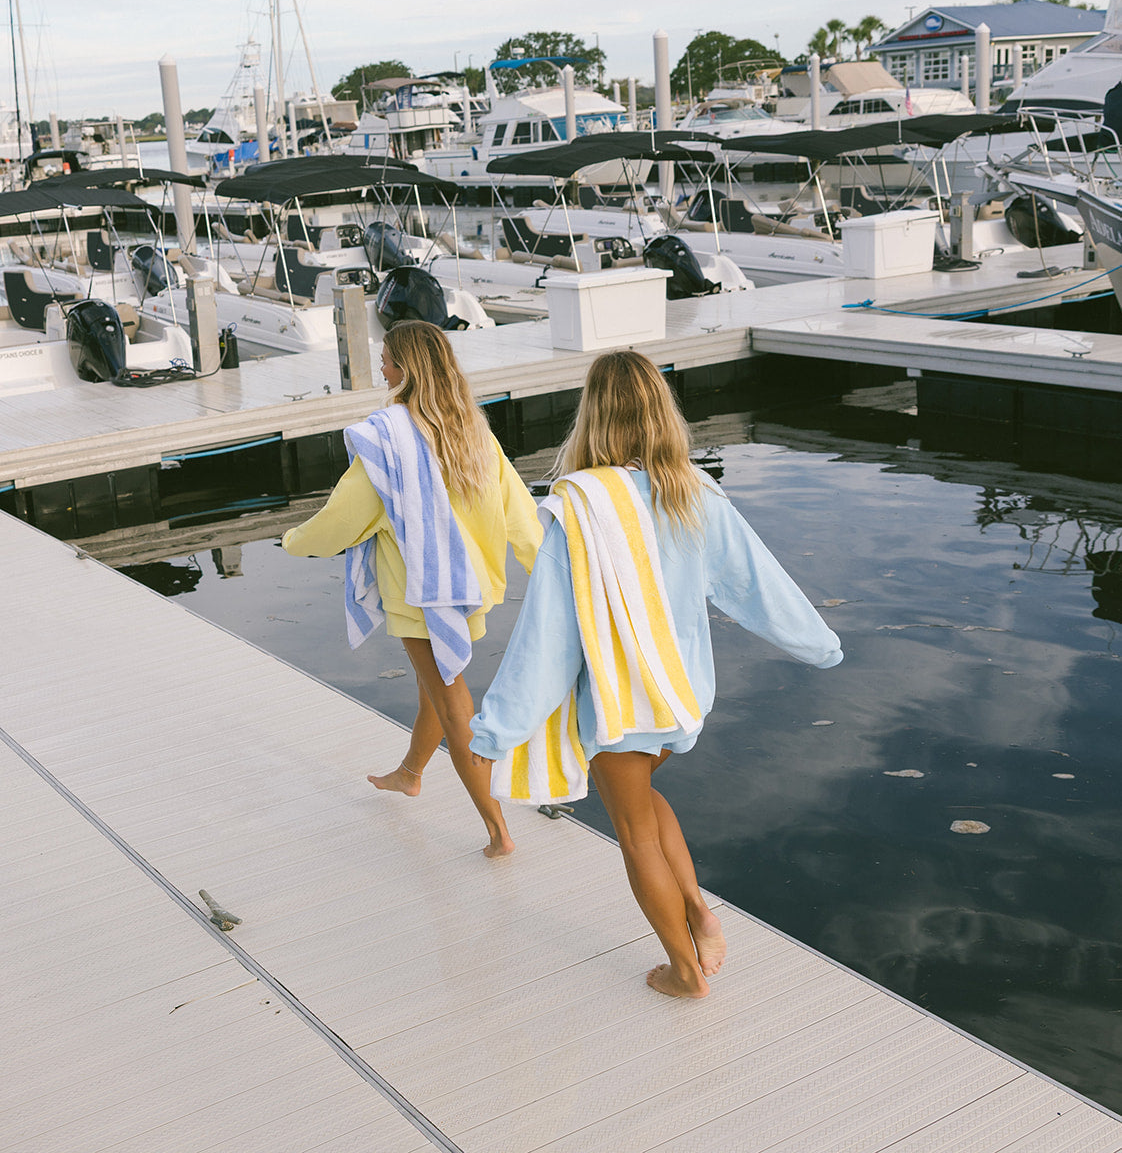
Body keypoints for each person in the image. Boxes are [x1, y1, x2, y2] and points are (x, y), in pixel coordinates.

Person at [469, 349, 842, 994]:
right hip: (680, 694)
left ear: (593, 418)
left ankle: (684, 970)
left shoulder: (578, 510)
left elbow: (547, 639)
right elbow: (758, 585)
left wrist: (496, 729)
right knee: (641, 799)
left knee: (635, 833)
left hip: (621, 700)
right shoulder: (694, 494)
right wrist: (820, 644)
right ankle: (697, 910)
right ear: (662, 414)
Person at [284, 320, 542, 858]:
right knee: (436, 686)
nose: (381, 367)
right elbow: (519, 513)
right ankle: (410, 774)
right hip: (468, 585)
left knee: (453, 706)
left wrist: (294, 541)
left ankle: (499, 833)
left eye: (387, 358)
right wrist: (544, 569)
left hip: (422, 593)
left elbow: (344, 515)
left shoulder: (391, 441)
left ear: (408, 368)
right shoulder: (472, 430)